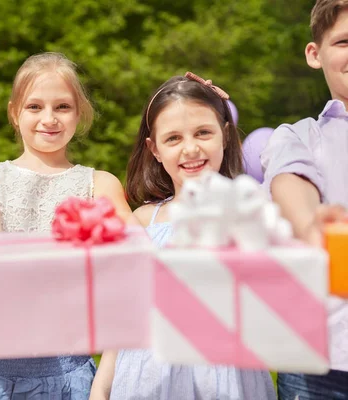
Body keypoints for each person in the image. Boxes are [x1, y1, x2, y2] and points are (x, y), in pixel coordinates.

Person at [90, 72, 276, 400]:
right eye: (173, 138)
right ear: (155, 149)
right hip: (146, 381)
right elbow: (125, 320)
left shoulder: (249, 209)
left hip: (225, 379)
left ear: (225, 136)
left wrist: (217, 101)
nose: (190, 148)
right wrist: (101, 390)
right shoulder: (142, 221)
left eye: (204, 132)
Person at [0, 52, 132, 399]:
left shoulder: (100, 184)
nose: (49, 119)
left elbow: (134, 254)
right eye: (34, 107)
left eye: (63, 107)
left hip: (69, 368)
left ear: (80, 112)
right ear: (14, 112)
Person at [261, 0, 348, 397]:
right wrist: (312, 222)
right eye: (344, 41)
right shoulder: (296, 136)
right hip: (321, 355)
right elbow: (290, 178)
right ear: (316, 54)